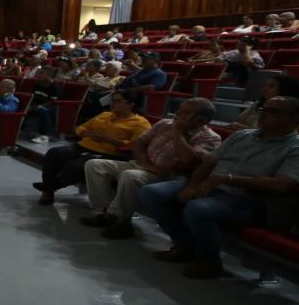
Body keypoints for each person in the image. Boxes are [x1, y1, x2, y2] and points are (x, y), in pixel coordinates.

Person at [139, 96, 299, 279]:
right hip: (212, 186)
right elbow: (208, 163)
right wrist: (192, 185)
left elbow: (282, 185)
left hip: (252, 200)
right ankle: (185, 245)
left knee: (198, 208)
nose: (262, 114)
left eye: (272, 111)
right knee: (152, 192)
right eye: (263, 109)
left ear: (294, 118)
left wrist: (228, 179)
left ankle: (209, 261)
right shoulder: (242, 135)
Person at [81, 98, 221, 238]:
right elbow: (139, 143)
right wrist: (146, 164)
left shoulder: (210, 138)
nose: (177, 113)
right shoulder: (165, 123)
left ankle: (123, 223)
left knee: (130, 175)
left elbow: (186, 159)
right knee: (94, 165)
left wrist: (178, 132)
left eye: (184, 112)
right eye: (179, 109)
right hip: (143, 165)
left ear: (200, 120)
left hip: (168, 175)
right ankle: (107, 212)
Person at [35, 92, 151, 205]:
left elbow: (135, 146)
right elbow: (79, 129)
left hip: (108, 153)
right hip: (83, 146)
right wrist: (88, 134)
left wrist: (110, 140)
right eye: (112, 100)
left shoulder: (140, 123)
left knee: (75, 166)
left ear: (131, 104)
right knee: (54, 152)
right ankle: (48, 188)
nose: (112, 103)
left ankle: (47, 189)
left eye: (118, 101)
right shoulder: (104, 115)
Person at [227, 74, 299, 130]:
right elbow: (240, 120)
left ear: (285, 89)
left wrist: (244, 129)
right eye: (265, 85)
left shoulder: (296, 113)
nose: (264, 89)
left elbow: (276, 134)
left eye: (271, 86)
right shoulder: (257, 104)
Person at [26, 72, 60, 144]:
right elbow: (33, 98)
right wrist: (29, 106)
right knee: (25, 107)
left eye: (41, 73)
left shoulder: (54, 87)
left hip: (52, 107)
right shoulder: (38, 85)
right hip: (38, 105)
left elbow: (53, 102)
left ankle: (44, 135)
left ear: (49, 75)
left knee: (42, 110)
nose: (38, 75)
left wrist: (37, 106)